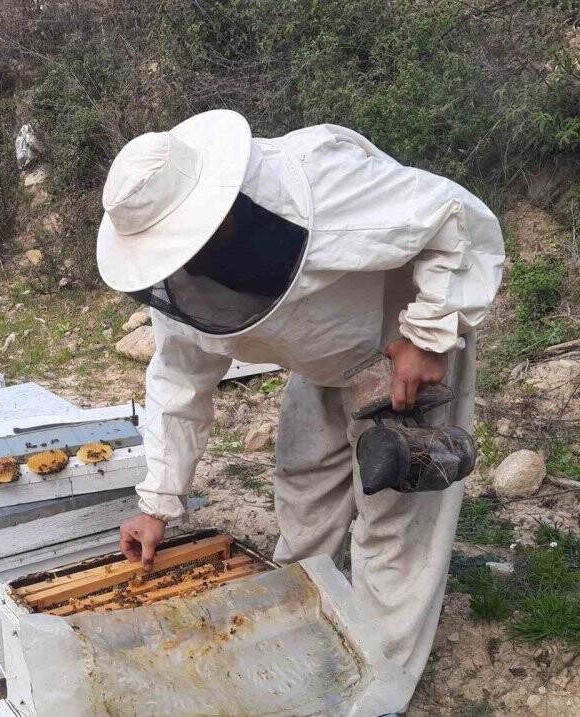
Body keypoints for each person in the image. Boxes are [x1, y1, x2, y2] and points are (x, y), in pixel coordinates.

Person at [96, 110, 504, 707]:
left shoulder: (320, 181)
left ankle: (376, 690)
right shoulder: (178, 276)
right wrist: (158, 502)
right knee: (304, 480)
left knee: (396, 520)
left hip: (405, 345)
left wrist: (426, 334)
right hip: (324, 357)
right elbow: (179, 384)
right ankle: (293, 615)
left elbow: (458, 217)